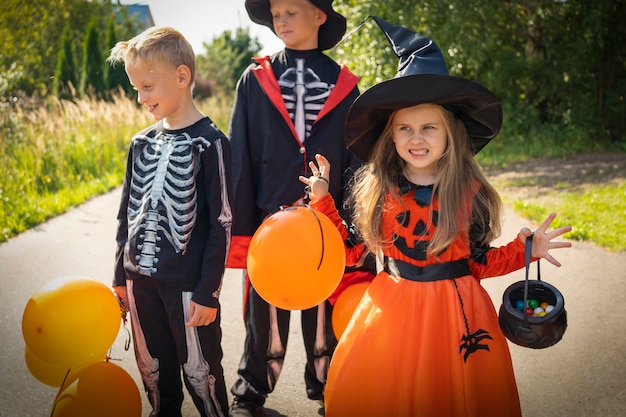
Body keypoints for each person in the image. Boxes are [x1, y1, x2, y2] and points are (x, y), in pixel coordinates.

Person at [299, 16, 573, 417]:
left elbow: (479, 262)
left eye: (429, 127)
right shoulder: (380, 190)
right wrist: (323, 202)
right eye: (405, 128)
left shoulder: (468, 194)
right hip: (392, 309)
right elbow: (351, 250)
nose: (416, 138)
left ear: (451, 134)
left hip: (456, 316)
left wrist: (525, 250)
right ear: (391, 136)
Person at [226, 0, 375, 416]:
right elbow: (241, 152)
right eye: (276, 14)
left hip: (328, 221)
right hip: (270, 223)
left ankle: (330, 392)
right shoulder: (255, 79)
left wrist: (358, 229)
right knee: (263, 313)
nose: (282, 20)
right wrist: (241, 231)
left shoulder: (345, 84)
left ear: (319, 16)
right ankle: (250, 392)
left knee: (326, 313)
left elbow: (359, 160)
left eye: (293, 10)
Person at [108, 26, 232, 417]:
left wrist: (208, 292)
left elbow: (222, 222)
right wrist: (118, 277)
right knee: (153, 373)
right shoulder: (141, 142)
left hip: (188, 289)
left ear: (182, 77)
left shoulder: (211, 143)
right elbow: (126, 213)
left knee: (202, 374)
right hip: (138, 283)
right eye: (136, 90)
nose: (141, 98)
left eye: (147, 86)